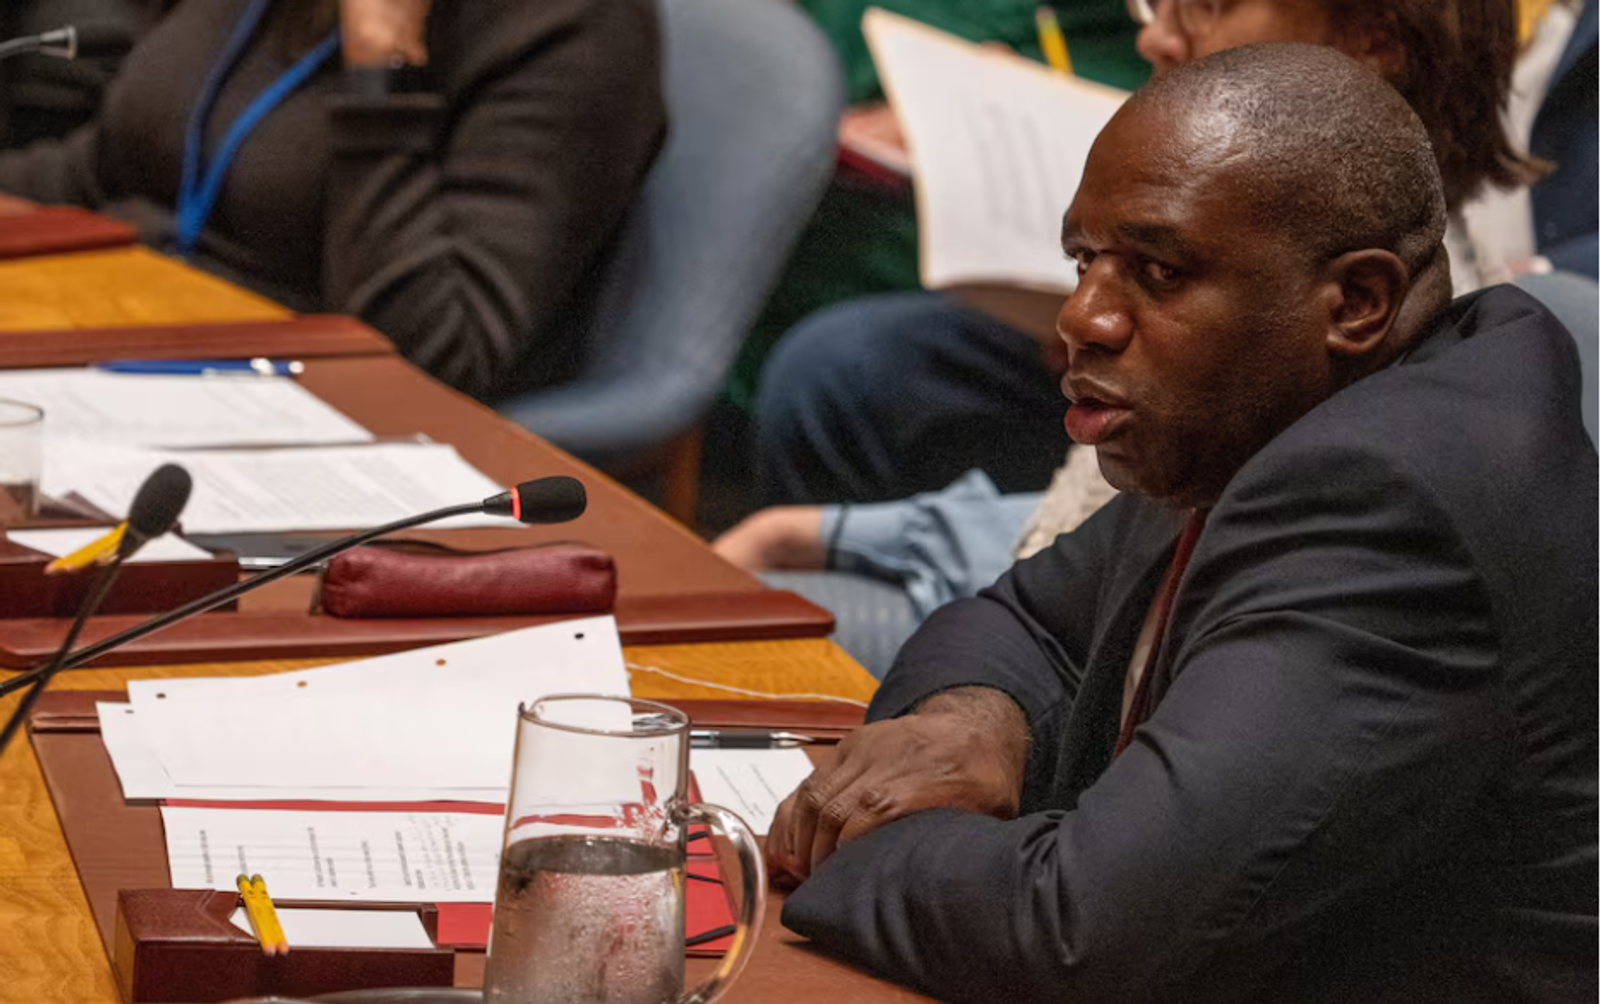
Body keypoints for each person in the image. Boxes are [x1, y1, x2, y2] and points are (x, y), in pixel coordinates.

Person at [768, 43, 1598, 1003]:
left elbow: (1079, 933)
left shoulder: (1395, 505)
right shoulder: (1268, 413)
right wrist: (972, 725)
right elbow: (1026, 620)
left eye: (1158, 272)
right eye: (1086, 260)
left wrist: (862, 838)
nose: (1083, 317)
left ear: (1357, 302)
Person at [717, 0, 1569, 678]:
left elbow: (1115, 653)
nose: (1156, 36)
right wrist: (827, 535)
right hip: (1033, 621)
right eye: (1087, 263)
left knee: (730, 653)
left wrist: (841, 546)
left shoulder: (1376, 383)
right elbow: (1068, 561)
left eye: (1208, 5)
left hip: (1085, 681)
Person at [0, 0, 664, 400]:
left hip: (312, 406)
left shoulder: (581, 26)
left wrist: (382, 69)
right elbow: (104, 168)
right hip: (125, 343)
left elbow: (436, 352)